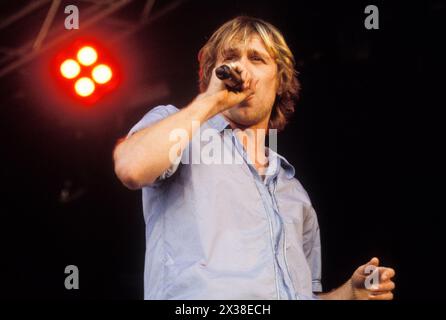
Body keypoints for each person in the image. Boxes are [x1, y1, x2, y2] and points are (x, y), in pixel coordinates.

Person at [113, 16, 395, 300]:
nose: (241, 68)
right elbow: (131, 168)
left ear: (280, 81)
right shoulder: (178, 130)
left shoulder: (294, 194)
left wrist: (348, 295)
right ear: (212, 74)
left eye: (257, 59)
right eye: (231, 58)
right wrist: (211, 100)